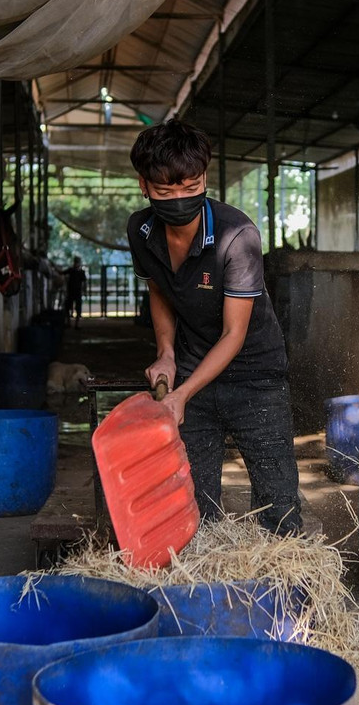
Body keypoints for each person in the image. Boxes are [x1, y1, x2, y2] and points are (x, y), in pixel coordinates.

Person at [126, 119, 301, 536]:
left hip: (255, 373)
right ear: (144, 186)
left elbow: (234, 334)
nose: (179, 199)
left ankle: (289, 590)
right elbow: (160, 291)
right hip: (191, 364)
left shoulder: (236, 234)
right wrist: (166, 353)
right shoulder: (141, 230)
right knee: (193, 502)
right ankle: (200, 591)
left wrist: (182, 393)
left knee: (277, 501)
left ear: (204, 177)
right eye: (166, 192)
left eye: (190, 187)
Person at [63, 256, 87, 327]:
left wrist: (84, 291)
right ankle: (71, 323)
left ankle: (74, 323)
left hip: (76, 292)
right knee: (69, 307)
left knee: (77, 308)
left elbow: (84, 283)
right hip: (72, 292)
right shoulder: (73, 270)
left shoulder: (78, 271)